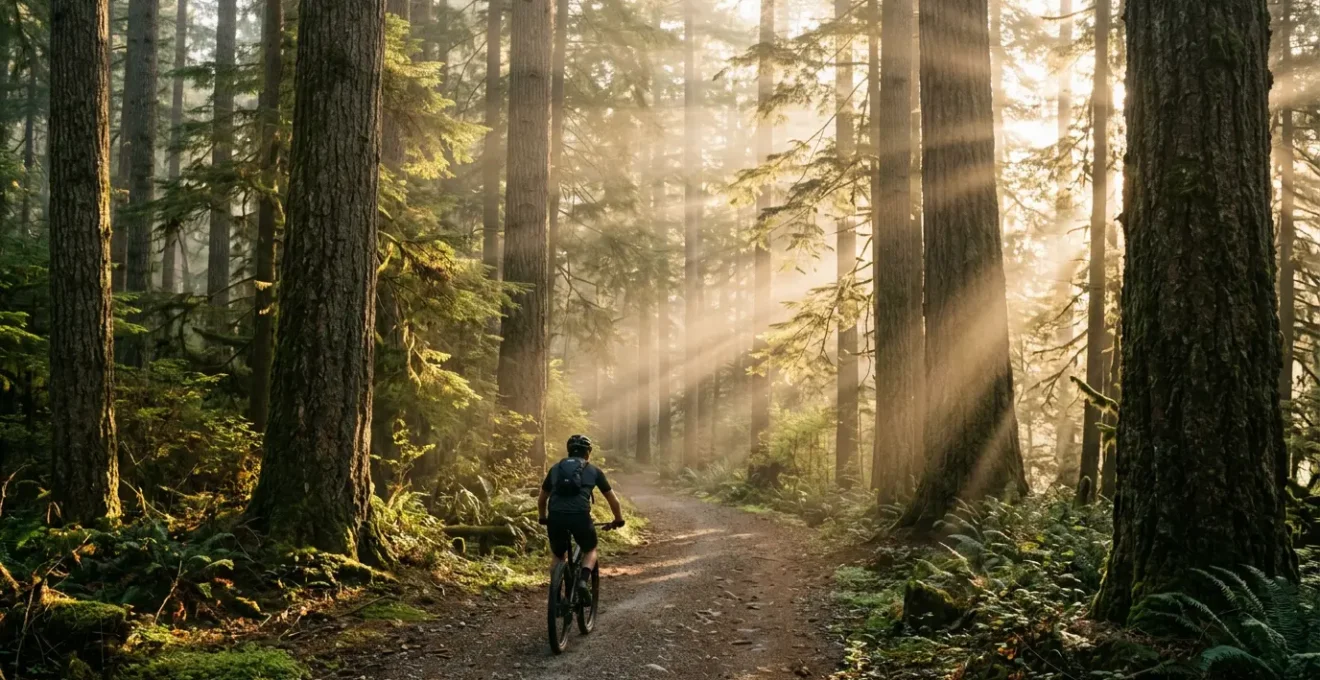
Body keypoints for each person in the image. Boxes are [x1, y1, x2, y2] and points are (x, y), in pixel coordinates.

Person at [538, 434, 624, 592]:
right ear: (588, 453)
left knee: (558, 555)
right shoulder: (593, 471)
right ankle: (583, 581)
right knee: (590, 549)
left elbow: (542, 499)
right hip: (580, 517)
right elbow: (613, 500)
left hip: (556, 517)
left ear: (569, 451)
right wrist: (618, 519)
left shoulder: (555, 469)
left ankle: (555, 591)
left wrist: (542, 517)